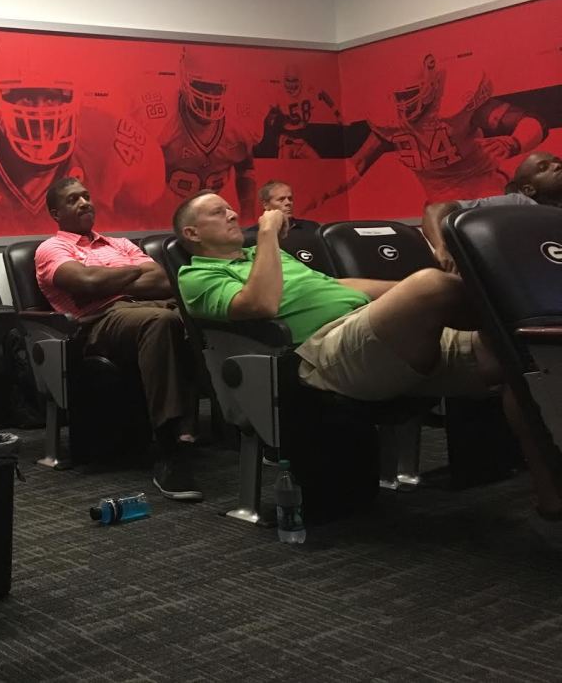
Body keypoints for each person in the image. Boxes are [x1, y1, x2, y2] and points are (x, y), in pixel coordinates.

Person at [174, 189, 562, 543]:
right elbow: (262, 305)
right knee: (434, 286)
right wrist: (268, 235)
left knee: (524, 358)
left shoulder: (265, 255)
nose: (231, 213)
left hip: (375, 335)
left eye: (228, 207)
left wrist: (409, 296)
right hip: (321, 355)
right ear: (192, 233)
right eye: (217, 211)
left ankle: (551, 506)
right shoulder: (197, 275)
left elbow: (338, 287)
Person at [33, 176, 201, 501]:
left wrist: (108, 280)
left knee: (194, 317)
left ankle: (236, 430)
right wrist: (131, 276)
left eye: (86, 196)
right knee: (161, 320)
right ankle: (170, 447)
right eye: (72, 200)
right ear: (56, 213)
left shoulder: (119, 243)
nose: (84, 203)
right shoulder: (52, 248)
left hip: (145, 308)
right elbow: (86, 281)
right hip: (100, 323)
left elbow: (163, 281)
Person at [0, 43, 168, 234]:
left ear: (76, 98)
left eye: (52, 97)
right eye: (25, 97)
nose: (41, 111)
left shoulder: (114, 142)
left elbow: (142, 212)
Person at [305, 53, 546, 211]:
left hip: (488, 196)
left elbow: (531, 122)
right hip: (441, 208)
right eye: (399, 97)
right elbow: (358, 164)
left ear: (430, 81)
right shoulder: (387, 119)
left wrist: (514, 142)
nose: (404, 104)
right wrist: (321, 192)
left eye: (410, 94)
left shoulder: (455, 100)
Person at [131, 47, 260, 224]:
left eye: (217, 88)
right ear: (184, 80)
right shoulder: (161, 119)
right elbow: (136, 175)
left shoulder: (239, 123)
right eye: (202, 86)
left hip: (215, 220)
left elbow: (246, 166)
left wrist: (247, 212)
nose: (210, 95)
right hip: (163, 219)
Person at [422, 151, 562, 272]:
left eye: (557, 161)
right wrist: (442, 247)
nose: (557, 165)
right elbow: (435, 210)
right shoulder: (518, 203)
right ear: (529, 189)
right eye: (544, 168)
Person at [263, 63, 343, 159]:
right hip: (287, 139)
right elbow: (269, 121)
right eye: (288, 80)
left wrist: (336, 113)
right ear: (284, 80)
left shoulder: (309, 88)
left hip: (304, 137)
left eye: (294, 81)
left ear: (300, 80)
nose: (291, 85)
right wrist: (272, 119)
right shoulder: (278, 93)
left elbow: (322, 93)